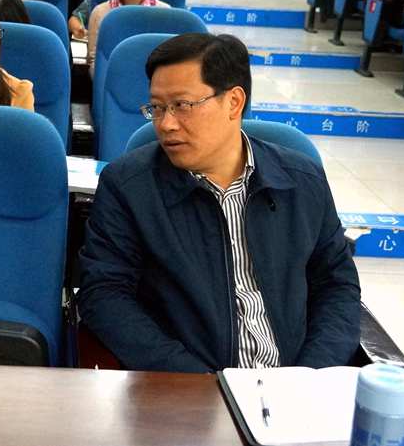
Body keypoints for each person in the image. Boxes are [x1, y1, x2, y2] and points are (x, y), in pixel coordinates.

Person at [77, 32, 361, 373]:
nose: (166, 124)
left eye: (182, 105)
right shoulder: (129, 187)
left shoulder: (302, 180)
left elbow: (337, 286)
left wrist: (311, 376)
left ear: (234, 102)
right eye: (157, 108)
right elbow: (104, 295)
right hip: (185, 387)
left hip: (294, 385)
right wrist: (197, 383)